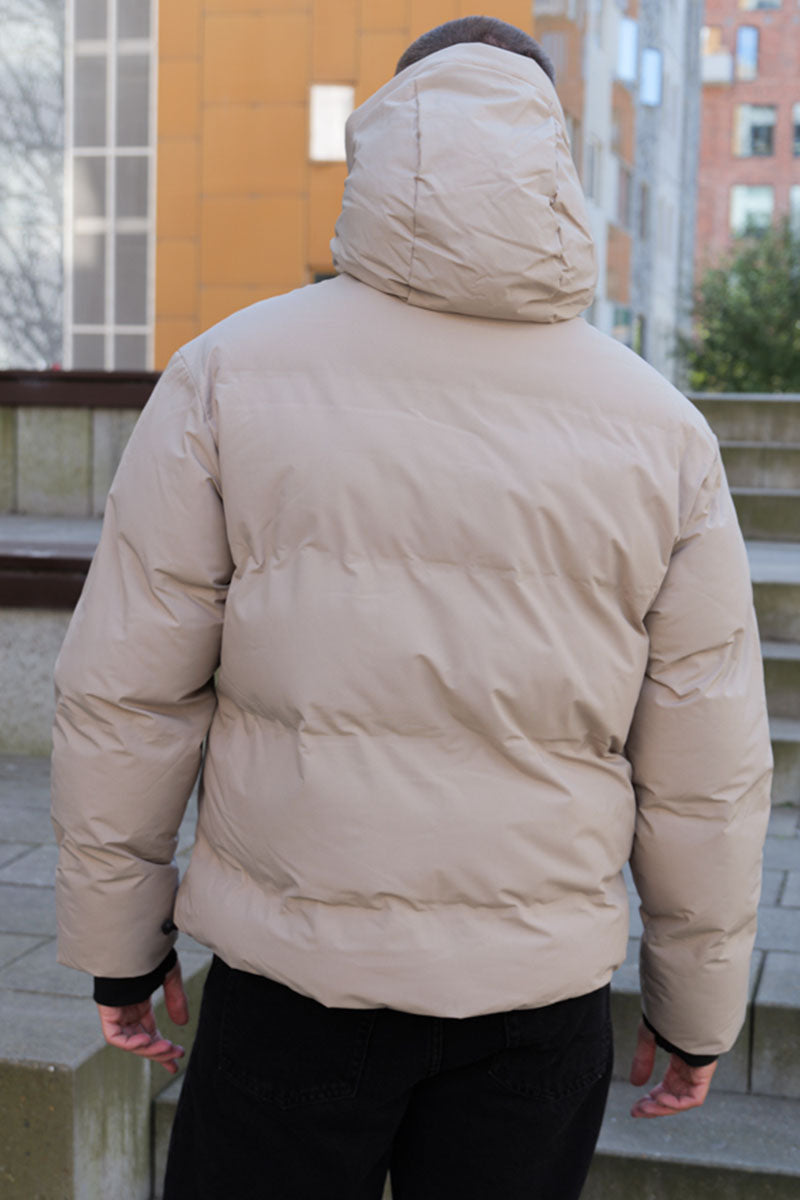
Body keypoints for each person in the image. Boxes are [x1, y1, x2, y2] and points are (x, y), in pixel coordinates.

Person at [51, 16, 772, 1200]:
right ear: (552, 155)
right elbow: (706, 762)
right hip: (534, 1003)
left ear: (388, 135)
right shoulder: (659, 430)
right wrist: (694, 1008)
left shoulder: (228, 373)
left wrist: (120, 951)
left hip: (294, 989)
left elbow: (127, 689)